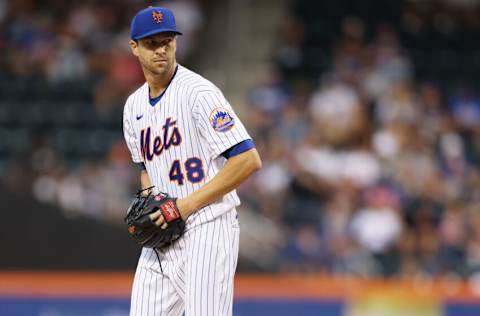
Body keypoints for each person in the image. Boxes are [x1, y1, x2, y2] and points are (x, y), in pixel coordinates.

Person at [122, 7, 262, 316]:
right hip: (164, 231)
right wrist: (151, 203)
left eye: (167, 41)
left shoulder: (199, 93)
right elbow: (145, 169)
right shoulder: (133, 107)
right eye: (151, 43)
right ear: (134, 47)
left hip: (208, 225)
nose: (161, 49)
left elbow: (247, 159)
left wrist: (182, 207)